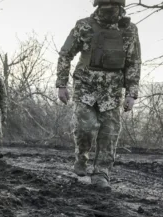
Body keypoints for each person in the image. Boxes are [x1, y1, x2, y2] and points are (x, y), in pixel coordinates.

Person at [56, 0, 141, 190]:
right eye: (105, 8)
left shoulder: (129, 31)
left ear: (120, 8)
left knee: (109, 134)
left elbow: (134, 62)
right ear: (98, 7)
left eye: (113, 8)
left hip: (112, 91)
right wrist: (62, 84)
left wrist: (131, 94)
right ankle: (81, 158)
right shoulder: (84, 26)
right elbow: (65, 54)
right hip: (85, 87)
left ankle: (101, 174)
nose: (108, 12)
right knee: (85, 127)